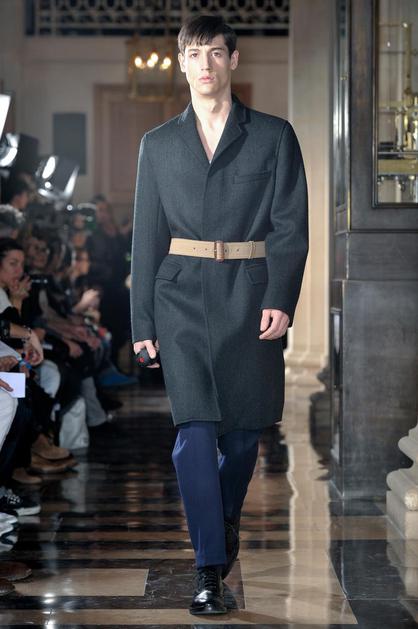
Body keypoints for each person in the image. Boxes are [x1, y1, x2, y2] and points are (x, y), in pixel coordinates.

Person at [130, 15, 308, 616]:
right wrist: (142, 323)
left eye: (214, 52)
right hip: (179, 298)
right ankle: (209, 569)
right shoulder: (157, 144)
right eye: (193, 53)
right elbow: (146, 239)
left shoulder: (274, 136)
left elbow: (290, 226)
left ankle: (224, 519)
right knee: (194, 435)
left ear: (233, 60)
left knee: (243, 436)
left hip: (250, 297)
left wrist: (281, 295)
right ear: (180, 63)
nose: (203, 64)